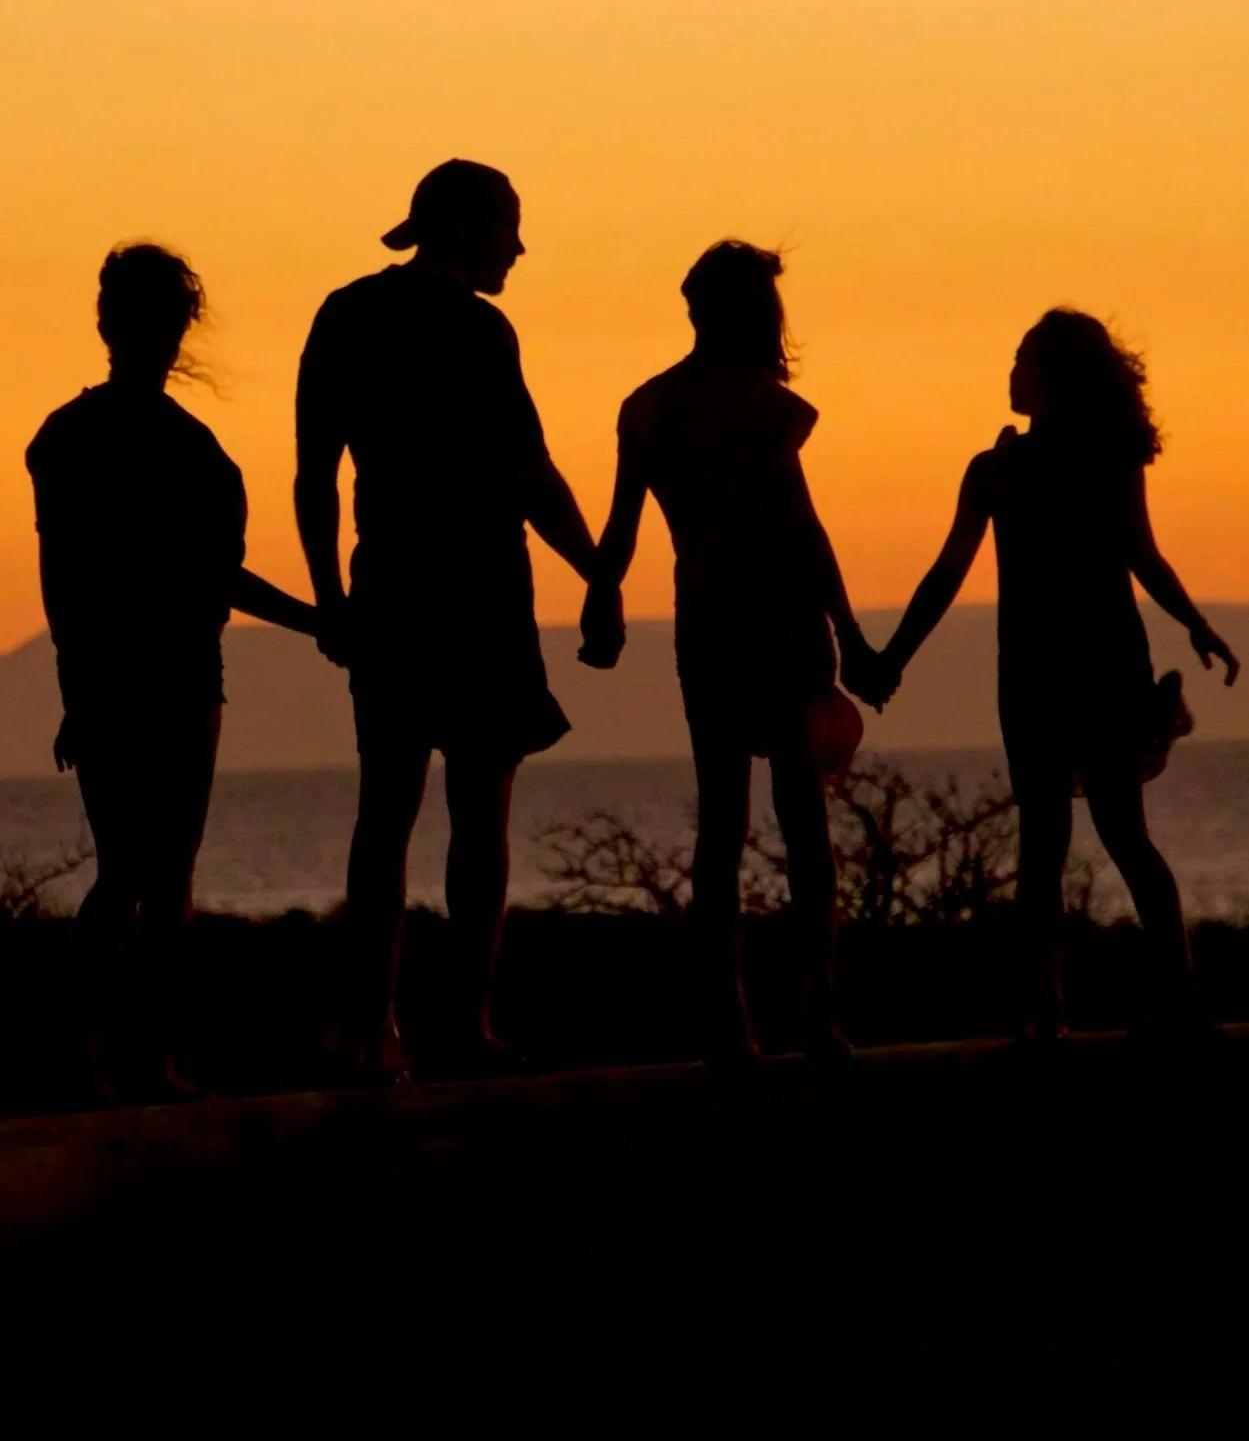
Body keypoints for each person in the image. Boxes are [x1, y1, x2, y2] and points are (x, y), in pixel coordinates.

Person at [295, 159, 598, 1081]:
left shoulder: (344, 314)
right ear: (465, 226)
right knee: (478, 818)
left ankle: (372, 1030)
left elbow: (315, 476)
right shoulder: (477, 329)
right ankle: (465, 1023)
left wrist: (329, 600)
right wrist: (599, 571)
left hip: (387, 588)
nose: (518, 245)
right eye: (509, 224)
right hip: (478, 596)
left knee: (382, 816)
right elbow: (527, 472)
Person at [873, 308, 1239, 1043]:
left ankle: (1068, 1009)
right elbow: (1137, 555)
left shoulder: (1012, 468)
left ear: (1051, 377)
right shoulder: (1023, 467)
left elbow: (1135, 555)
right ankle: (1141, 1001)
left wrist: (1194, 620)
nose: (1009, 374)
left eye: (1021, 362)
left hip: (1059, 670)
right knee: (1102, 839)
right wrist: (893, 658)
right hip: (1079, 666)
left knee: (1065, 840)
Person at [27, 242, 317, 1102]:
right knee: (155, 876)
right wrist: (319, 621)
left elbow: (64, 580)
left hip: (131, 677)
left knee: (136, 874)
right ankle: (128, 1060)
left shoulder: (74, 436)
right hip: (168, 679)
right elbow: (208, 575)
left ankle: (106, 1057)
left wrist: (76, 686)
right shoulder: (175, 446)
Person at [580, 241, 879, 1070]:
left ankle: (732, 1018)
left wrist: (601, 600)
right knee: (801, 823)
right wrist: (849, 634)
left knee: (723, 824)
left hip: (704, 624)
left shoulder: (646, 408)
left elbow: (621, 529)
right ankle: (814, 1012)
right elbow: (802, 534)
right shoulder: (766, 408)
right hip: (779, 625)